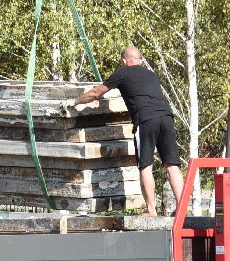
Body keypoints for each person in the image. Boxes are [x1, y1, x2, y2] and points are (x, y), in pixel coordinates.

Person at [70, 46, 185, 217]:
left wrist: (75, 101)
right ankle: (183, 209)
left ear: (124, 61)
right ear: (140, 59)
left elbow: (95, 93)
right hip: (167, 117)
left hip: (146, 120)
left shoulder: (123, 73)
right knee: (172, 165)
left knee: (145, 165)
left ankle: (151, 210)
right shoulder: (151, 75)